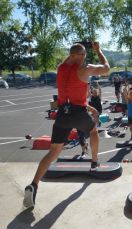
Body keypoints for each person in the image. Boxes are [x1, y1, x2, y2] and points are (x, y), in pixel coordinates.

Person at [23, 42, 109, 209]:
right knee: (93, 131)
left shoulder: (61, 68)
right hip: (78, 113)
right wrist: (98, 51)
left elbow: (71, 59)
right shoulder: (85, 69)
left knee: (53, 151)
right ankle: (94, 162)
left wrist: (75, 53)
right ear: (82, 56)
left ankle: (33, 184)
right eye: (84, 55)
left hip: (63, 114)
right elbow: (106, 68)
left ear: (69, 55)